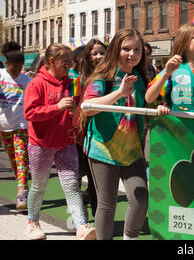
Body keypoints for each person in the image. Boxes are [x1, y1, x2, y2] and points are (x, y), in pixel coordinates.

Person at [80, 28, 149, 240]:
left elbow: (148, 105)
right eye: (126, 48)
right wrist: (119, 93)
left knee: (140, 199)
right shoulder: (103, 75)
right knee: (107, 204)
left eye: (137, 49)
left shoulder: (140, 76)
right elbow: (87, 107)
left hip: (133, 151)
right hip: (103, 149)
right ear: (116, 50)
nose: (132, 54)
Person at [23, 43, 95, 240]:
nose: (70, 64)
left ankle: (81, 226)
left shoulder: (72, 83)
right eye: (66, 60)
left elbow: (77, 111)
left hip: (66, 142)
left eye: (71, 60)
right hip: (40, 143)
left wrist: (76, 113)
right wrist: (57, 107)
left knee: (72, 184)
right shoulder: (37, 83)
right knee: (38, 186)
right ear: (52, 61)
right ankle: (32, 223)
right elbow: (29, 113)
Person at [75, 38, 107, 218]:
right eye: (94, 53)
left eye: (102, 52)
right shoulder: (81, 79)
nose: (99, 56)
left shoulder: (112, 76)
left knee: (97, 182)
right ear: (87, 57)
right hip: (84, 133)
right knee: (80, 175)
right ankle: (79, 213)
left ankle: (97, 216)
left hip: (106, 133)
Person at [0, 42, 32, 210]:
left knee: (21, 159)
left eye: (19, 69)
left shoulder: (26, 80)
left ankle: (22, 192)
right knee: (13, 159)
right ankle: (21, 186)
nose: (17, 72)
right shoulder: (0, 76)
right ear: (6, 64)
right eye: (14, 69)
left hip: (21, 125)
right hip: (3, 126)